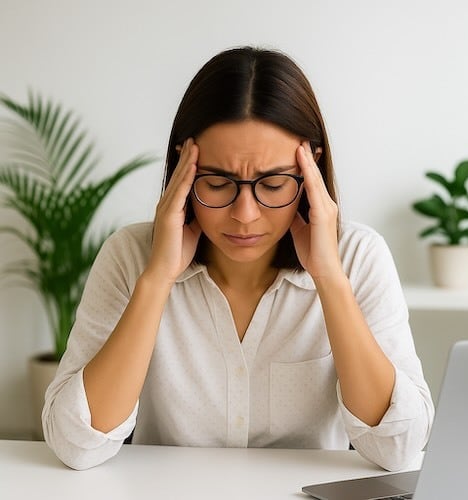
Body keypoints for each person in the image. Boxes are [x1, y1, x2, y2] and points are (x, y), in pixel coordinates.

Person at [42, 46, 434, 471]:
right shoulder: (130, 256)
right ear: (182, 170)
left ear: (311, 172)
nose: (245, 215)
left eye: (273, 183)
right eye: (217, 182)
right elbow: (77, 445)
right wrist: (156, 280)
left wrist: (330, 278)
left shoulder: (359, 257)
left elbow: (398, 449)